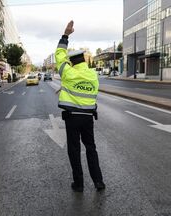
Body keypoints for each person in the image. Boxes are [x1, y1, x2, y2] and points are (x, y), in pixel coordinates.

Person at [56, 21, 105, 192]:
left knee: (74, 151)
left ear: (71, 62)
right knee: (91, 149)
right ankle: (98, 181)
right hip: (88, 118)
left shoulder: (67, 73)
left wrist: (65, 35)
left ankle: (79, 184)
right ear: (84, 60)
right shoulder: (93, 75)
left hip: (72, 118)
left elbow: (59, 55)